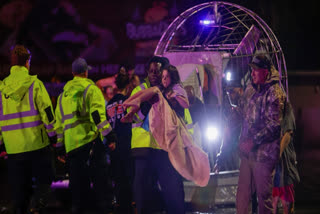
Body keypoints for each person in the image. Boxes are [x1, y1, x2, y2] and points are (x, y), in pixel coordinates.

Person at [55, 58, 117, 214]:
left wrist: (60, 147)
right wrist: (110, 136)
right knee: (101, 185)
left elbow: (59, 124)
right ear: (85, 72)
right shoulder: (91, 89)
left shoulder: (63, 96)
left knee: (77, 189)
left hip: (72, 148)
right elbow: (97, 116)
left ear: (73, 73)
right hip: (91, 144)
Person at [126, 56, 186, 214]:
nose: (153, 74)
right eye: (151, 71)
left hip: (164, 148)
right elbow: (130, 116)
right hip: (143, 148)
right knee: (143, 192)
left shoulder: (172, 91)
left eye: (157, 72)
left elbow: (183, 119)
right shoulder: (139, 90)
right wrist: (147, 103)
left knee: (172, 190)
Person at [0, 45, 56, 214]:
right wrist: (53, 136)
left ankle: (20, 207)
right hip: (36, 145)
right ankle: (37, 206)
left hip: (13, 148)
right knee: (46, 178)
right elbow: (47, 112)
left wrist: (1, 144)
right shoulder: (35, 84)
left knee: (20, 190)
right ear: (27, 63)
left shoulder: (2, 89)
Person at [235, 55, 286, 214]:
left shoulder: (275, 92)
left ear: (265, 71)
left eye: (256, 70)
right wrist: (235, 113)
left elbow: (275, 125)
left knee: (264, 198)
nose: (253, 73)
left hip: (264, 155)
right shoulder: (250, 88)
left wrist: (253, 141)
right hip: (247, 154)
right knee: (242, 197)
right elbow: (244, 111)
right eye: (252, 70)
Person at [106, 71, 133, 214]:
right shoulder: (128, 101)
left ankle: (118, 207)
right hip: (126, 144)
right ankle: (127, 208)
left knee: (117, 179)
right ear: (128, 86)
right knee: (127, 179)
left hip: (113, 146)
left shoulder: (109, 104)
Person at [272, 102, 300, 214]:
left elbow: (288, 134)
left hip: (284, 162)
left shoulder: (286, 108)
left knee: (286, 202)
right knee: (272, 201)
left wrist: (276, 155)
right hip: (272, 161)